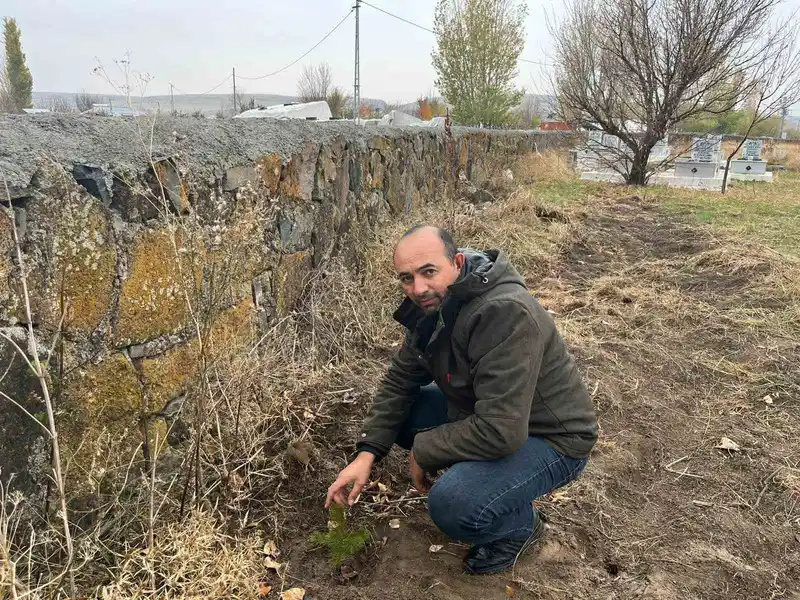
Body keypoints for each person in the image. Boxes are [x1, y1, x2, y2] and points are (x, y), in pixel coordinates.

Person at [325, 225, 598, 575]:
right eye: (406, 278)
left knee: (453, 504)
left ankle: (519, 528)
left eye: (428, 272)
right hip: (490, 411)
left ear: (456, 262)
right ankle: (488, 478)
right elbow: (400, 380)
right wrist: (367, 454)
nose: (417, 288)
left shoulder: (504, 312)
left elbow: (501, 430)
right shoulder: (434, 303)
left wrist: (425, 449)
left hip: (552, 438)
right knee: (406, 416)